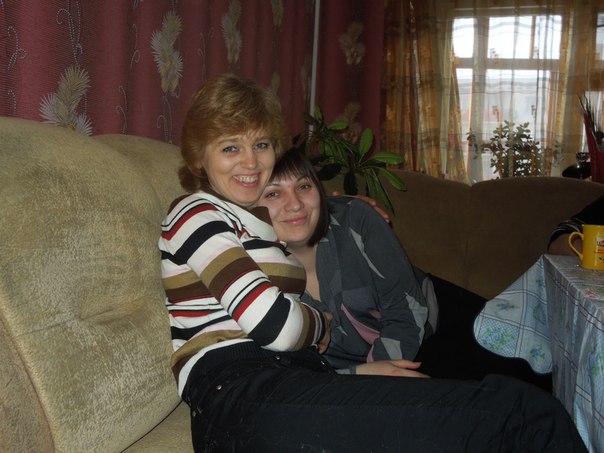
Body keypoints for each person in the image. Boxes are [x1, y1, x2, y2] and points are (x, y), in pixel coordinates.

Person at [159, 73, 587, 452]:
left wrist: (361, 371)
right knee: (522, 415)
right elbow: (279, 327)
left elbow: (293, 322)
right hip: (241, 392)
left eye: (261, 144)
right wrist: (321, 324)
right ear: (198, 158)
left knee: (521, 404)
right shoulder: (195, 213)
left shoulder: (258, 231)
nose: (251, 162)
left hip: (292, 383)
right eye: (230, 147)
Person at [258, 148, 554, 391]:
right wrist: (361, 376)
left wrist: (379, 373)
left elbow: (405, 307)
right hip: (364, 372)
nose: (295, 204)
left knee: (533, 372)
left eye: (303, 186)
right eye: (273, 194)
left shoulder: (355, 218)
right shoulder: (251, 283)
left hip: (434, 316)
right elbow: (286, 375)